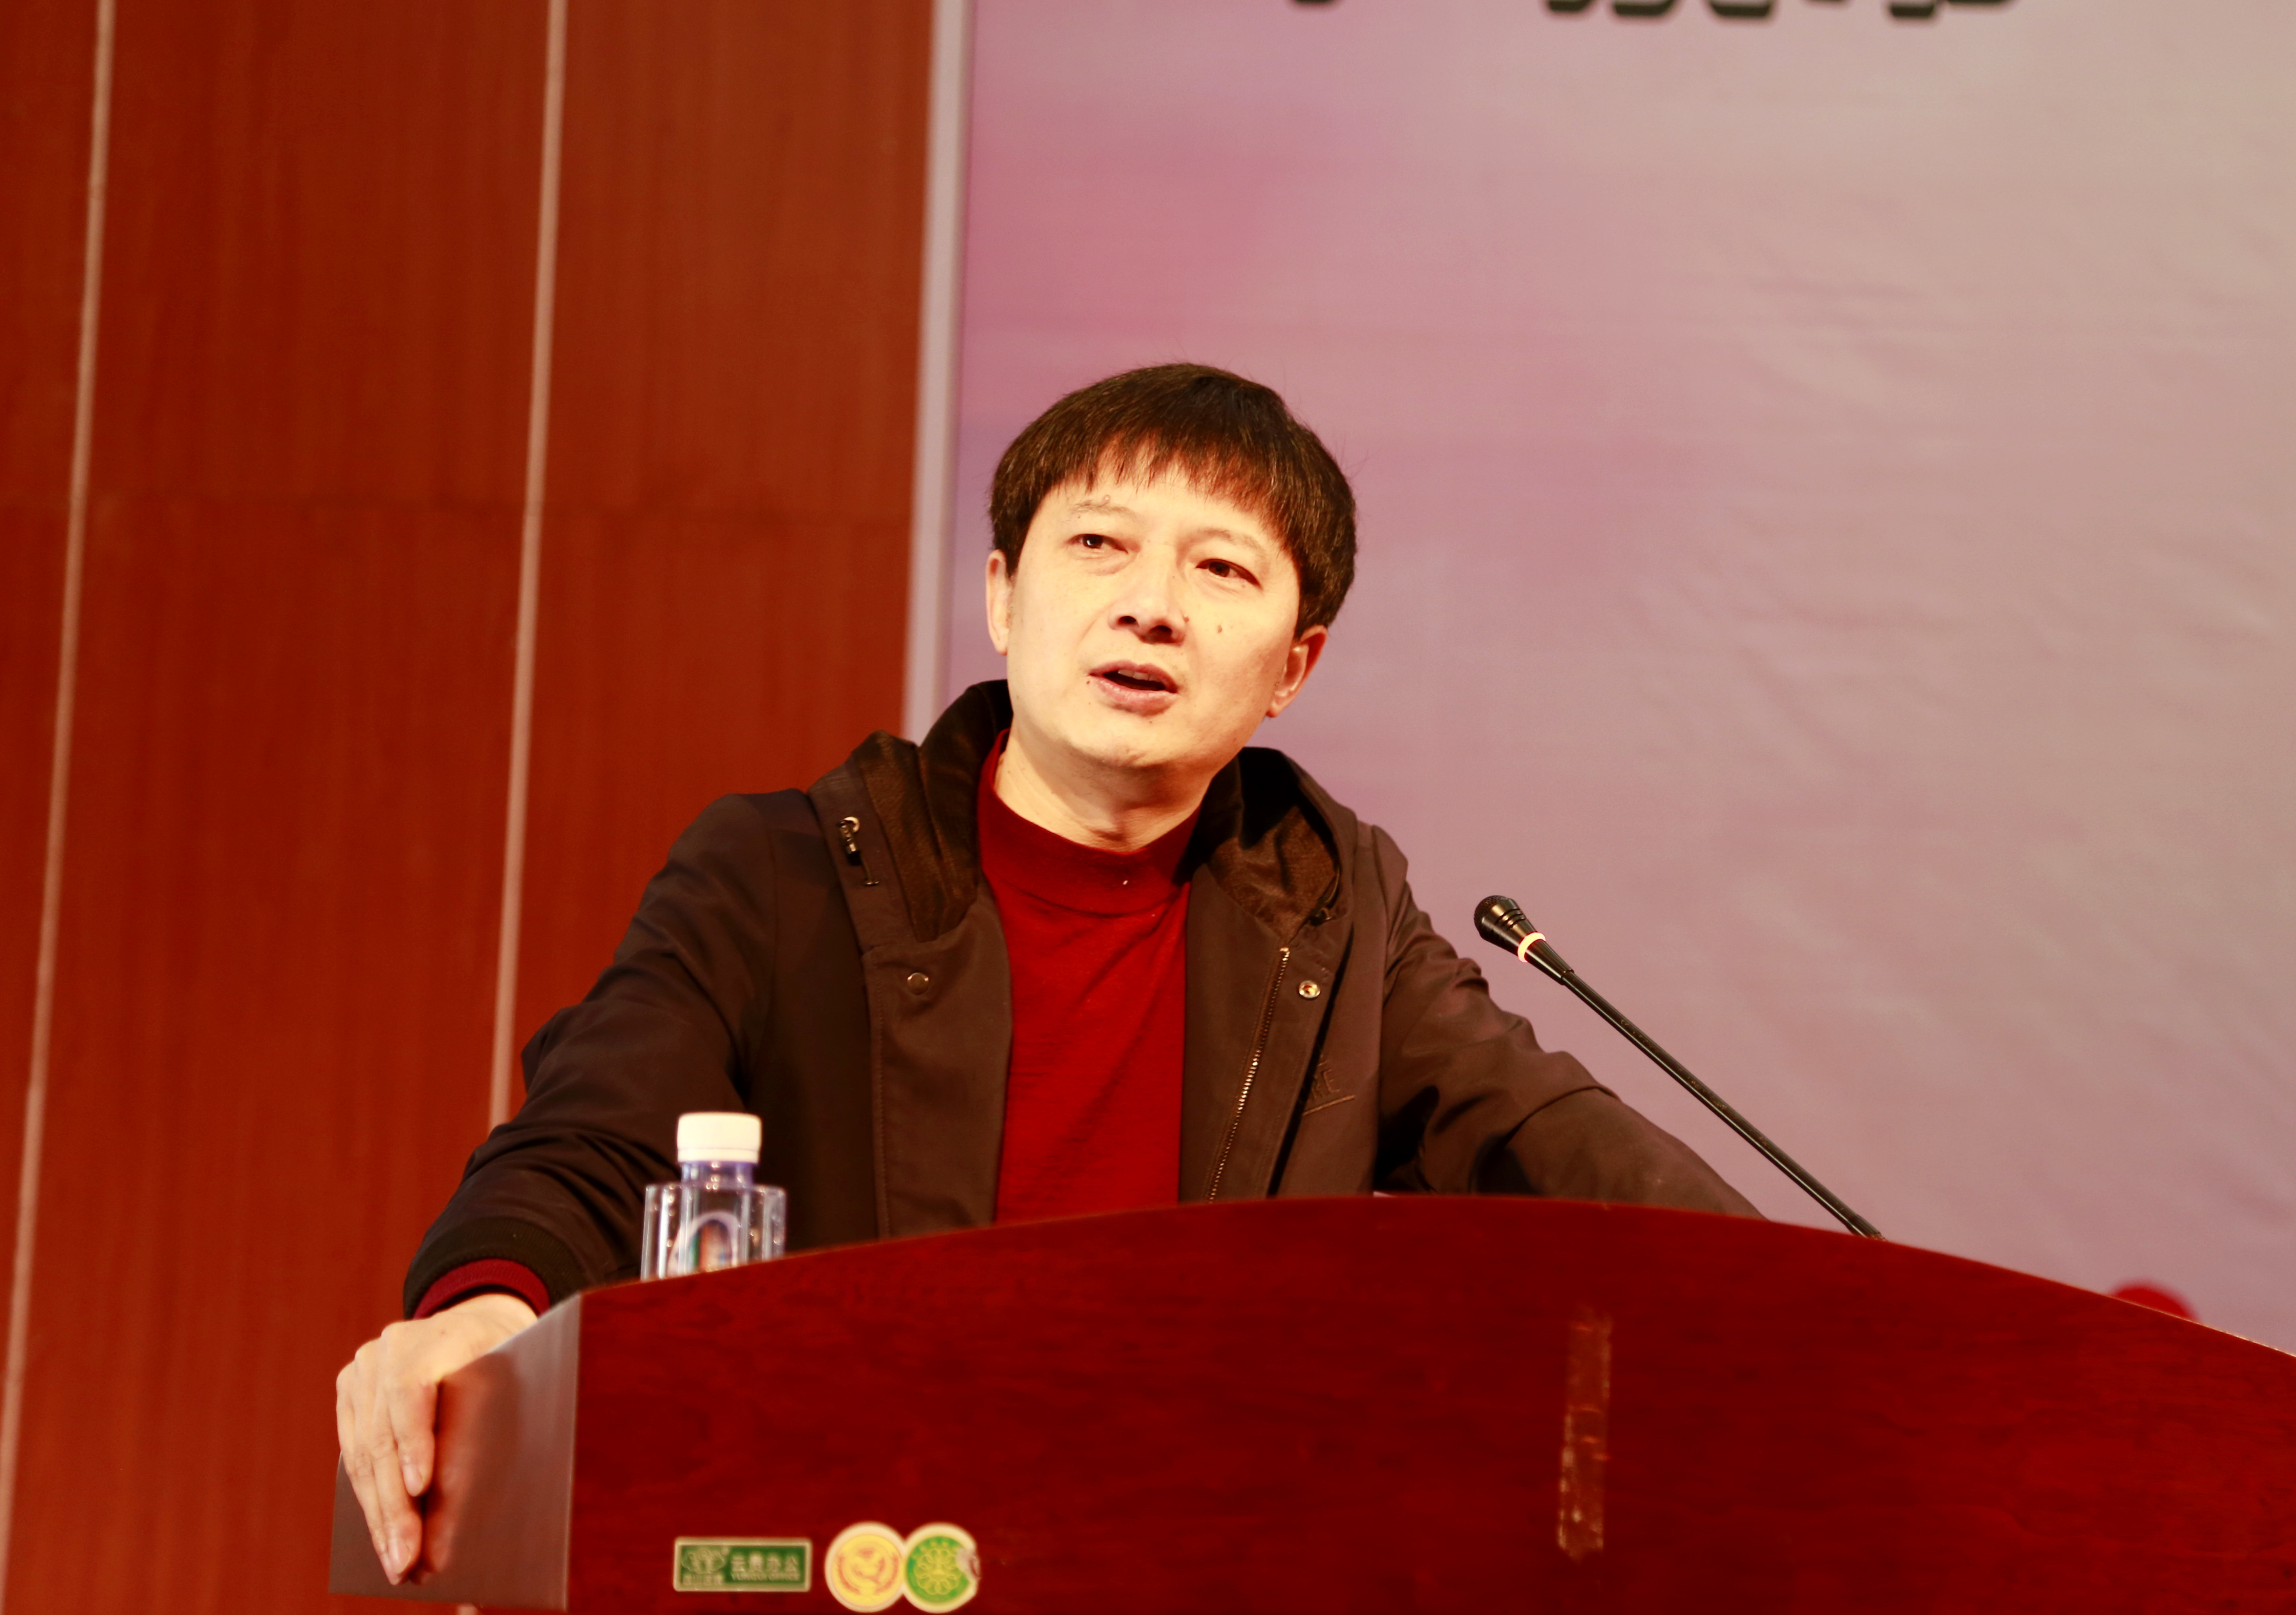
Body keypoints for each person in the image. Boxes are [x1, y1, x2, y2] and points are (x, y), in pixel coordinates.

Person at [334, 363, 1758, 1583]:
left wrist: (1826, 1330)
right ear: (1004, 597)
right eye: (1099, 546)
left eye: (1222, 570)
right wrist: (481, 1310)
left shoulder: (1332, 913)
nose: (1153, 607)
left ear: (1294, 668)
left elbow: (1556, 1150)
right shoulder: (786, 874)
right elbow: (592, 1135)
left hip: (1182, 1569)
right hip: (864, 1559)